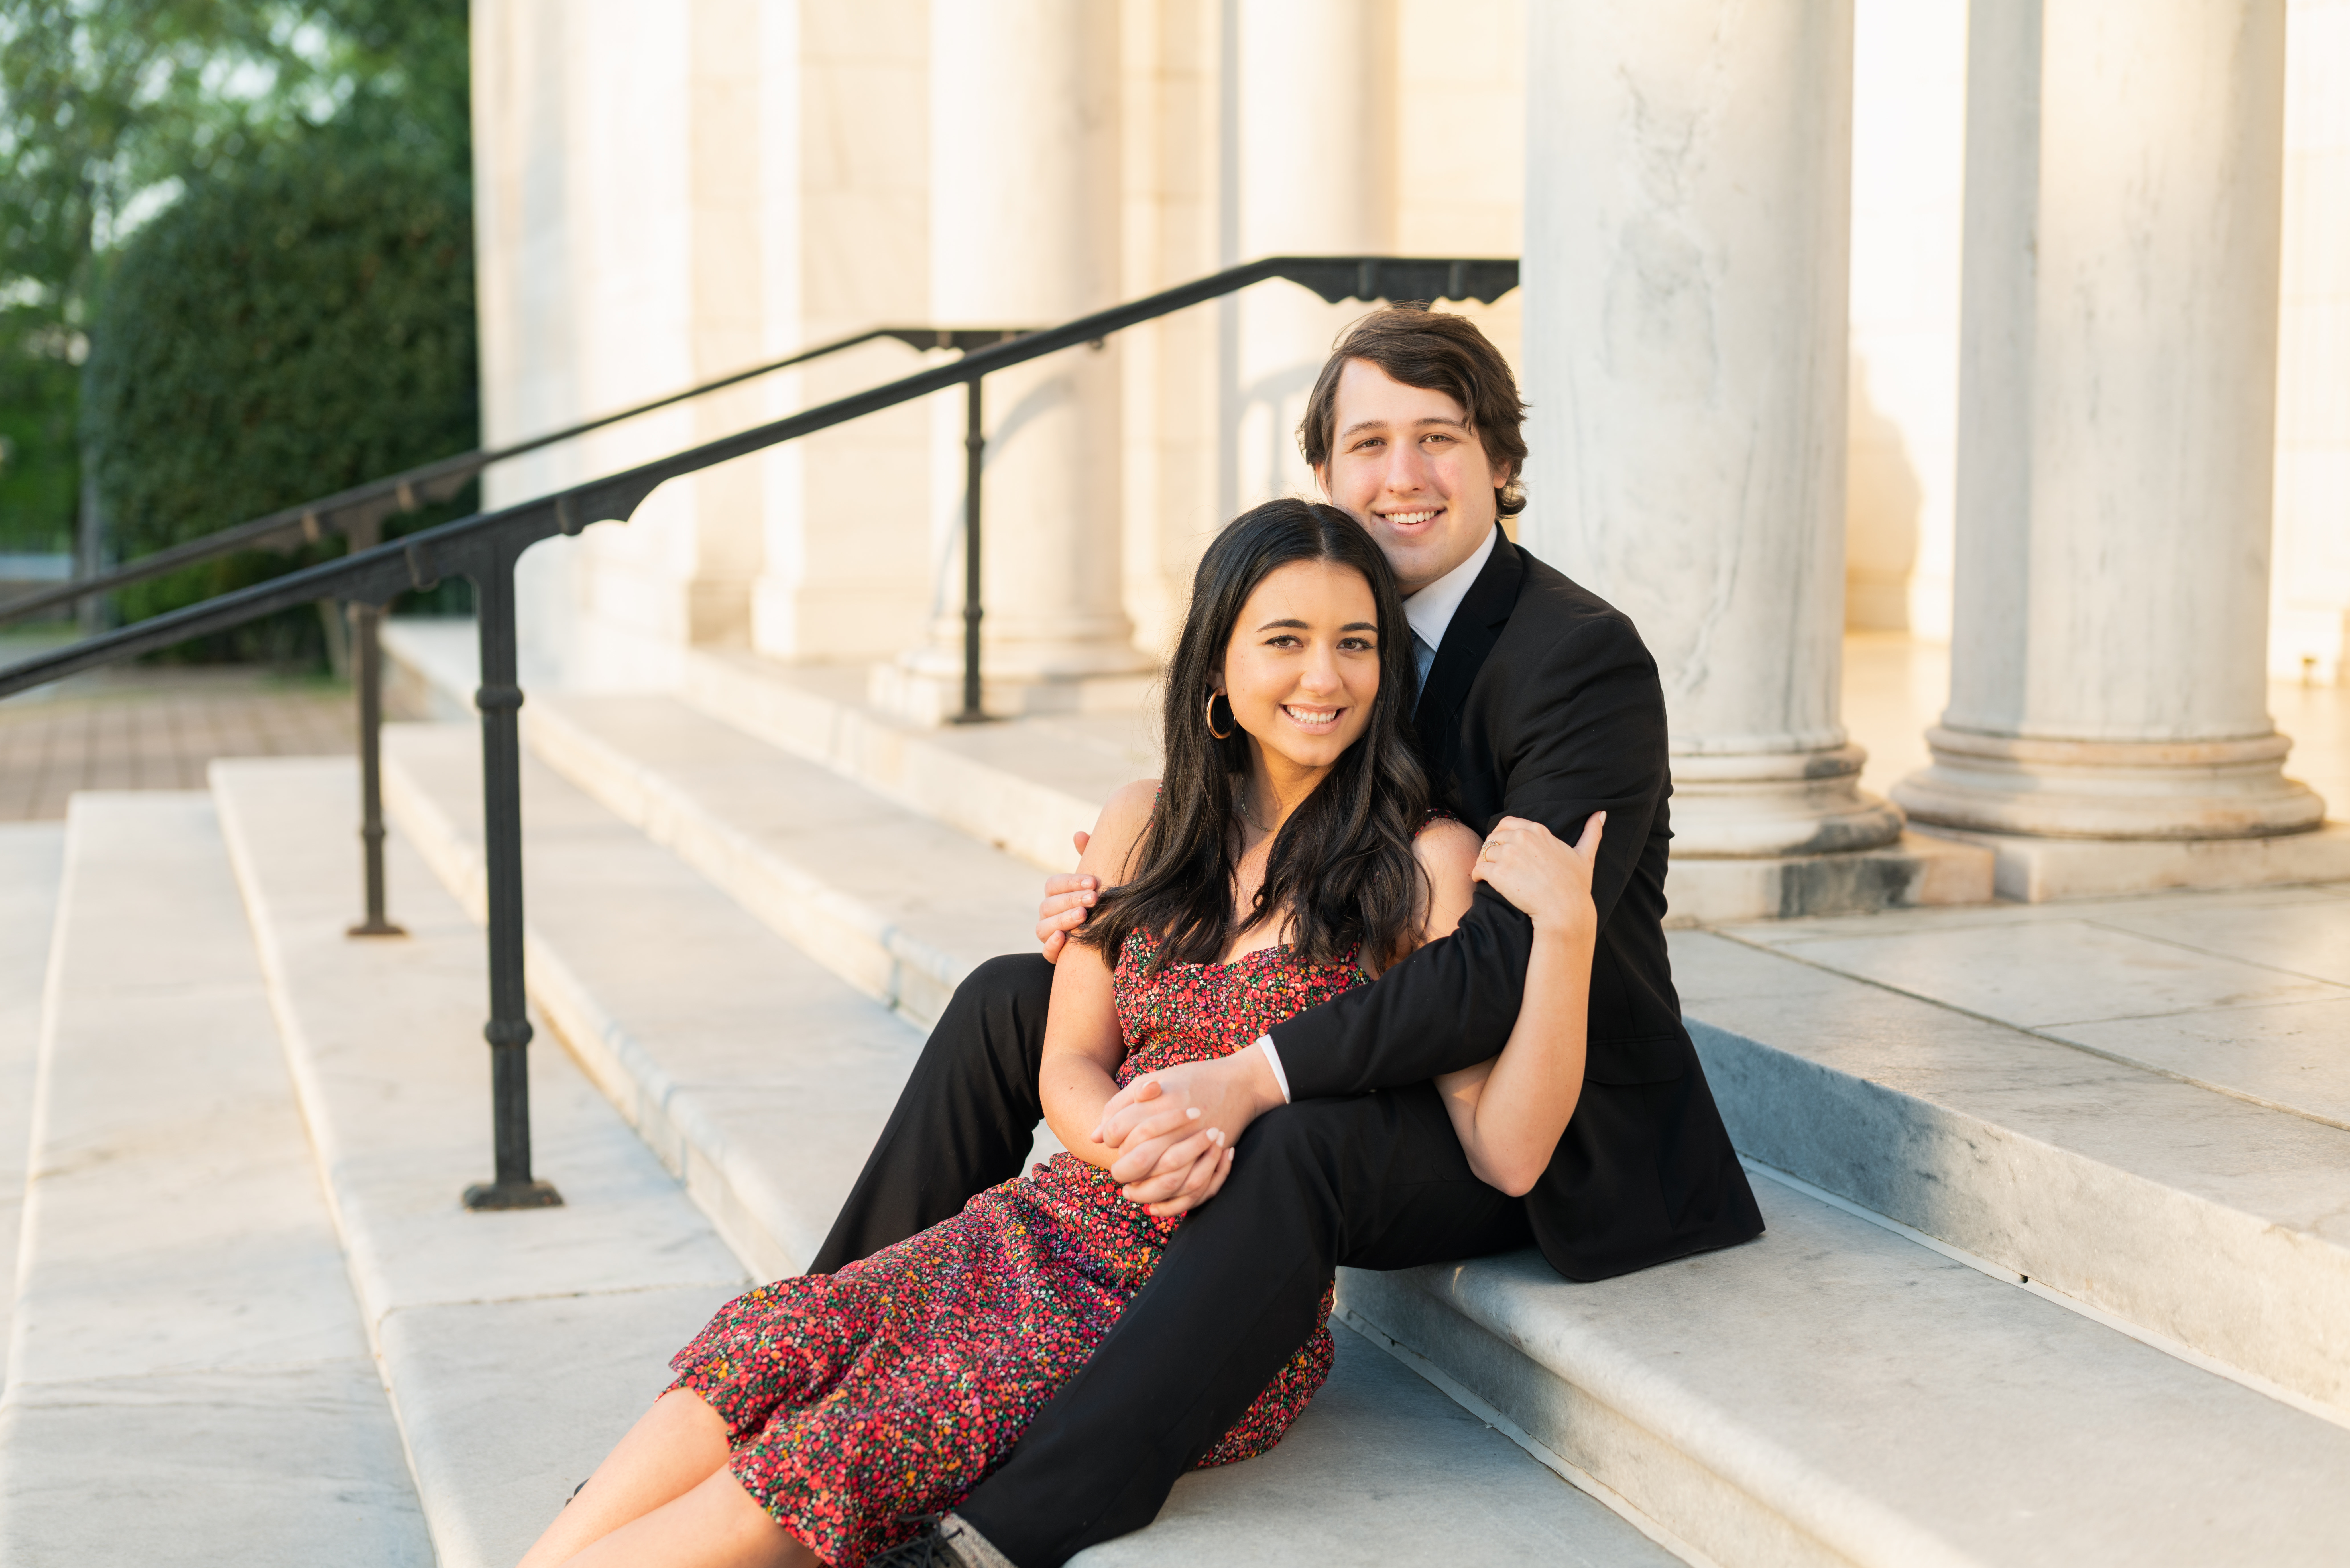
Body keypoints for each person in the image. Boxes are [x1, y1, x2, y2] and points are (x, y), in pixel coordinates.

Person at [513, 500, 1607, 1568]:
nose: (1325, 677)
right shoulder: (1145, 819)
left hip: (1194, 1306)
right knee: (768, 1346)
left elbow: (1500, 1144)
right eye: (1287, 641)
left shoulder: (1425, 864)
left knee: (844, 1443)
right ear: (1218, 666)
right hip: (1040, 1223)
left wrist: (1568, 935)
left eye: (1356, 644)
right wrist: (1132, 1142)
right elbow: (1068, 1062)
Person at [840, 307, 1765, 1568]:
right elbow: (1253, 819)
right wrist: (1118, 911)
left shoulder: (1575, 657)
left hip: (1539, 1109)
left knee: (1294, 1140)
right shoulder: (1330, 611)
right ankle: (829, 1344)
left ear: (1500, 460)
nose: (1401, 474)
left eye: (1439, 437)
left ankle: (1012, 1525)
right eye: (1367, 441)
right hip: (1370, 1015)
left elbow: (1492, 960)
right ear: (1323, 471)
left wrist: (1248, 1072)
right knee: (1015, 995)